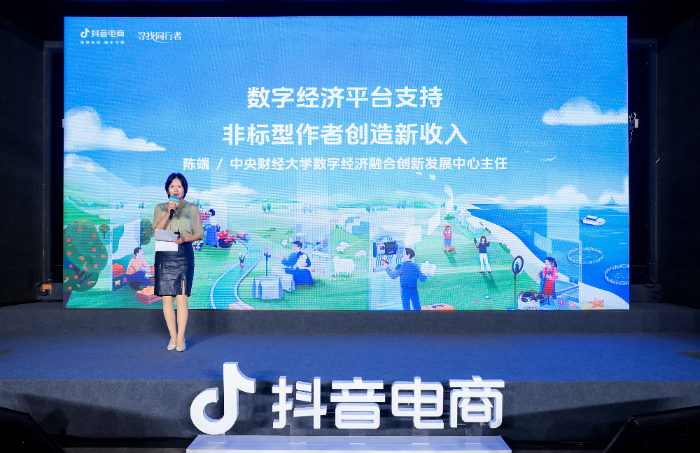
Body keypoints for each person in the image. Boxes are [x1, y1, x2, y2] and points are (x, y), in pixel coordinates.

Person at [153, 173, 204, 352]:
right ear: (167, 189)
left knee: (181, 297)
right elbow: (156, 231)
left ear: (184, 189)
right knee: (167, 298)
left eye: (179, 186)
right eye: (172, 186)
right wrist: (169, 212)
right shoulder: (160, 208)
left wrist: (184, 239)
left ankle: (181, 337)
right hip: (164, 254)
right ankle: (173, 336)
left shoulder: (192, 208)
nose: (176, 189)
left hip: (183, 253)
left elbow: (199, 233)